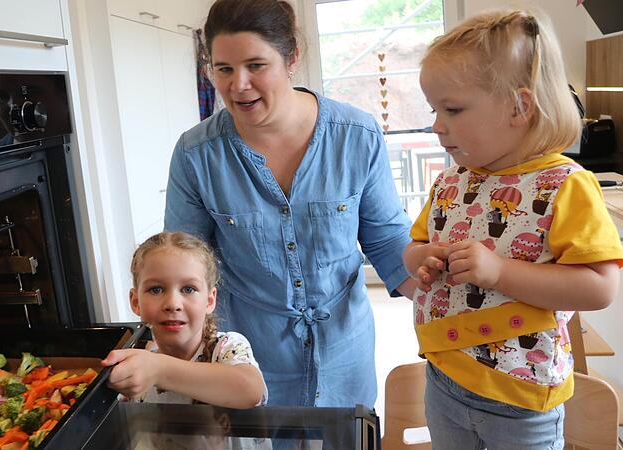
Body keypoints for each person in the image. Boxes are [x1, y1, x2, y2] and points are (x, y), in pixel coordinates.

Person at [164, 0, 415, 408]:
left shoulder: (356, 135)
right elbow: (185, 261)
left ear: (292, 56)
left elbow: (387, 240)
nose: (238, 85)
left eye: (256, 65)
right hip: (248, 361)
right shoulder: (196, 154)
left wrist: (443, 301)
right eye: (223, 69)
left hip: (344, 356)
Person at [404, 9, 623, 449]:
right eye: (434, 109)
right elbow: (416, 245)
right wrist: (421, 258)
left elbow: (600, 288)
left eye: (453, 109)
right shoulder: (451, 180)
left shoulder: (564, 185)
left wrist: (499, 273)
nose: (437, 125)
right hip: (444, 374)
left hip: (521, 395)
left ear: (519, 107)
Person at [101, 231, 267, 409]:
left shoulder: (227, 347)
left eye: (188, 289)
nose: (173, 304)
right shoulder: (137, 367)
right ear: (135, 302)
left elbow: (249, 390)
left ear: (210, 300)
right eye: (156, 290)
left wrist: (159, 369)